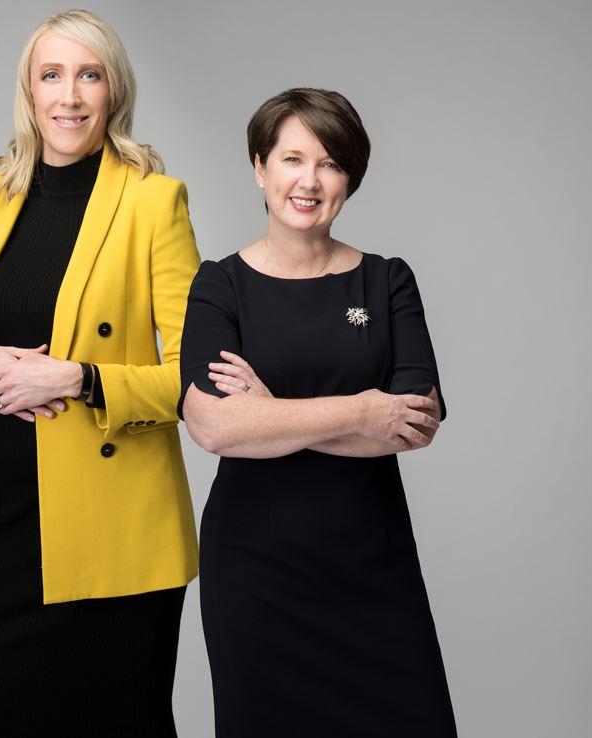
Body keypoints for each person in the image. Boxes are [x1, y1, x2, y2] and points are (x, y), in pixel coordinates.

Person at [0, 10, 199, 737]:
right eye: (51, 75)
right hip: (0, 522)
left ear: (113, 90)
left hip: (112, 535)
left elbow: (196, 377)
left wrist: (79, 380)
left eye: (89, 75)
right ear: (29, 91)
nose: (69, 95)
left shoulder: (152, 201)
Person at [179, 88, 458, 736]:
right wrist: (361, 410)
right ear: (260, 167)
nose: (309, 180)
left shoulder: (386, 281)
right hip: (256, 572)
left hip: (372, 566)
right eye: (292, 159)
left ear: (350, 178)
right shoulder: (220, 284)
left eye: (330, 163)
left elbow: (415, 422)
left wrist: (271, 414)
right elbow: (214, 425)